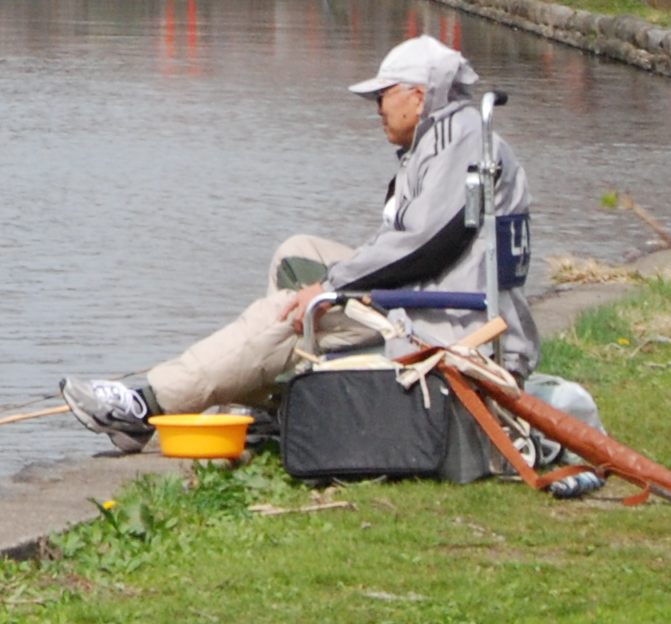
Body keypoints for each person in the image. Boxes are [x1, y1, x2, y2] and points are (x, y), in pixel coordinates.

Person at [60, 34, 535, 451]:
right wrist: (328, 280)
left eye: (383, 95)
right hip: (433, 291)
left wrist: (332, 287)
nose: (377, 107)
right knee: (296, 254)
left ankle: (145, 406)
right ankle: (280, 401)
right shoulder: (443, 136)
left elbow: (421, 245)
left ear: (418, 94)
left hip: (441, 316)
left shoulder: (461, 137)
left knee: (284, 315)